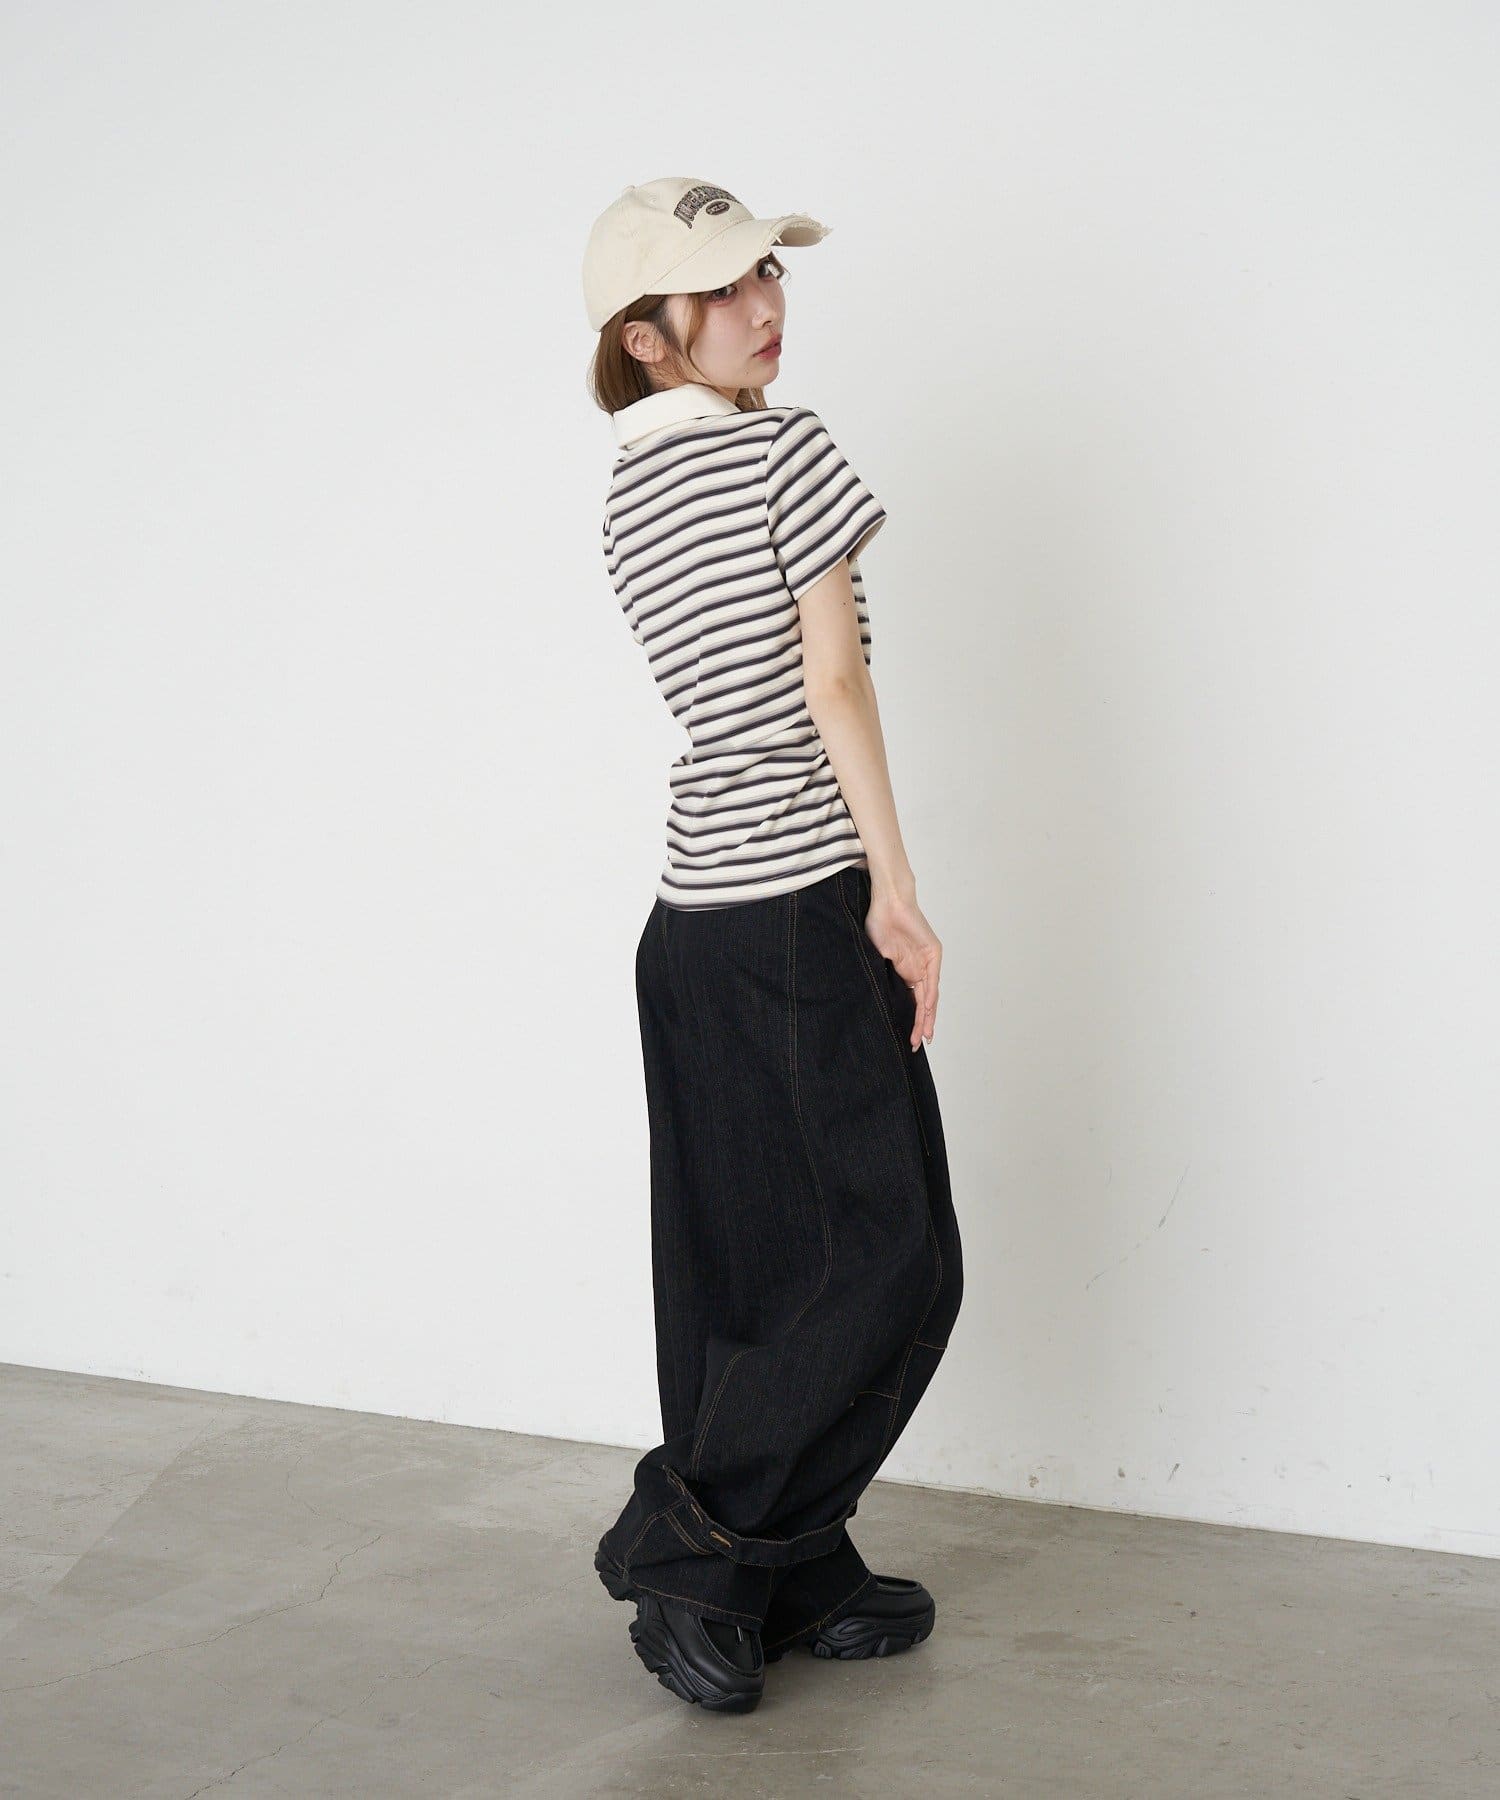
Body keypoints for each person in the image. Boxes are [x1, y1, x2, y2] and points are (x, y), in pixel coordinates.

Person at [580, 177, 964, 1713]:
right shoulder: (784, 449)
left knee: (740, 1268)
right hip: (798, 904)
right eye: (727, 287)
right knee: (894, 1262)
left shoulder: (627, 487)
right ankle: (691, 1550)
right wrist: (895, 889)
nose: (765, 307)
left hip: (693, 924)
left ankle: (788, 1560)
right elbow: (832, 683)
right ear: (648, 334)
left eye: (768, 277)